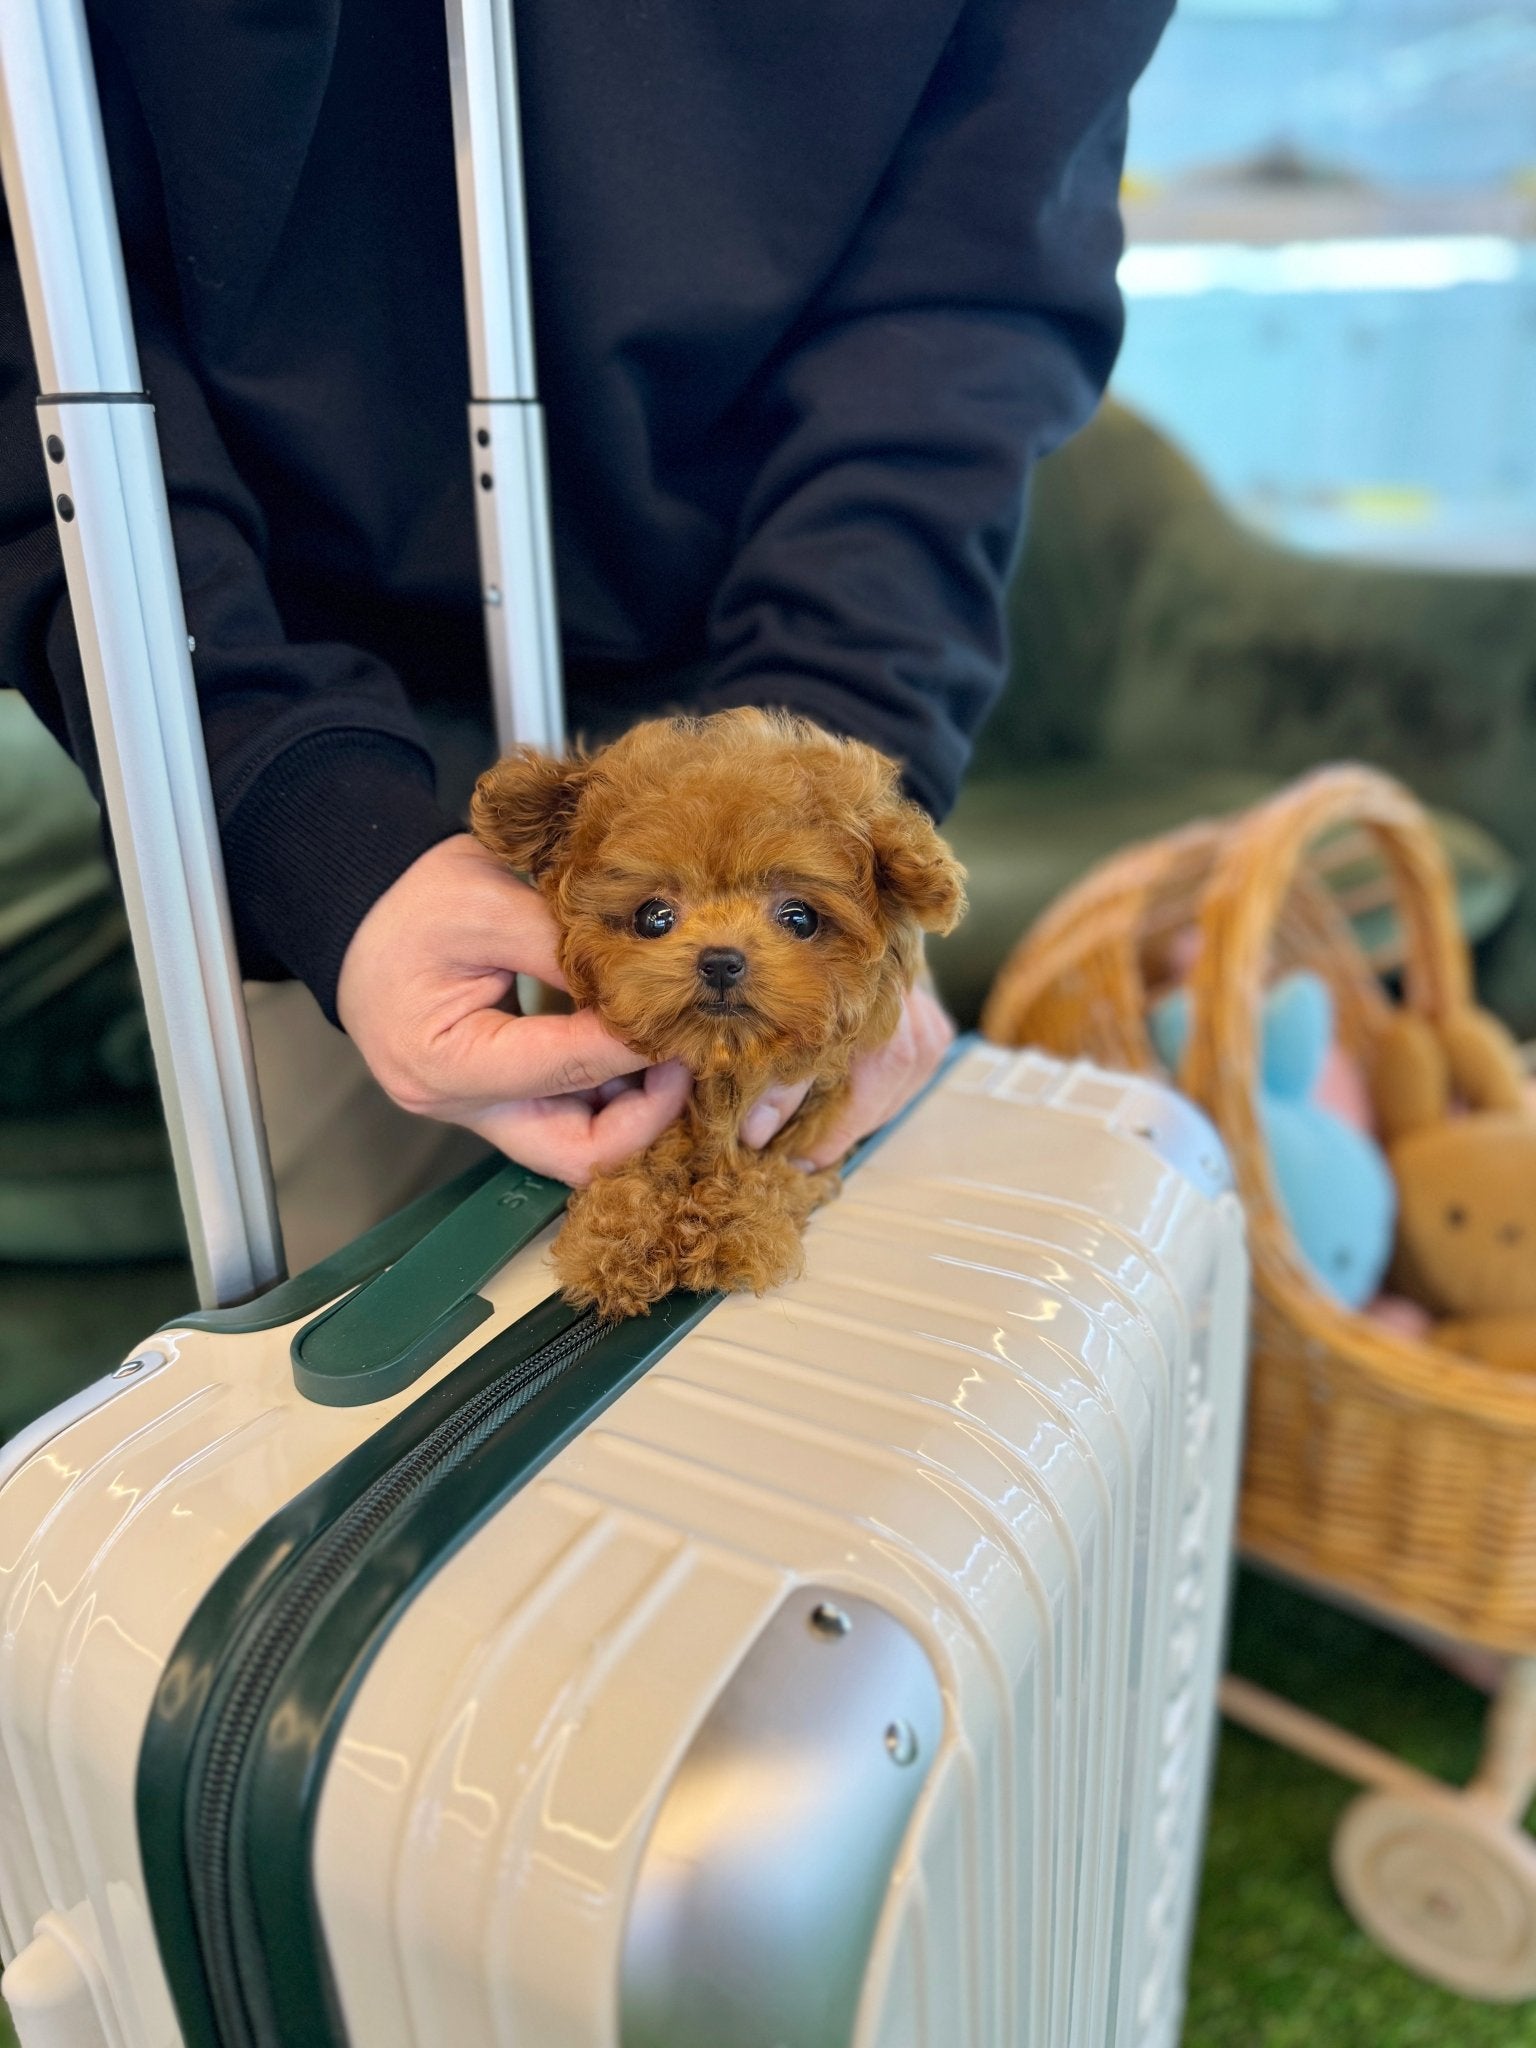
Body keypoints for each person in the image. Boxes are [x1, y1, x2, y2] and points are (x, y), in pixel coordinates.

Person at [0, 0, 1171, 1187]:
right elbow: (27, 294)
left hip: (767, 669)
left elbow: (969, 291)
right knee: (411, 1324)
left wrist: (833, 765)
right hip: (296, 664)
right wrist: (292, 813)